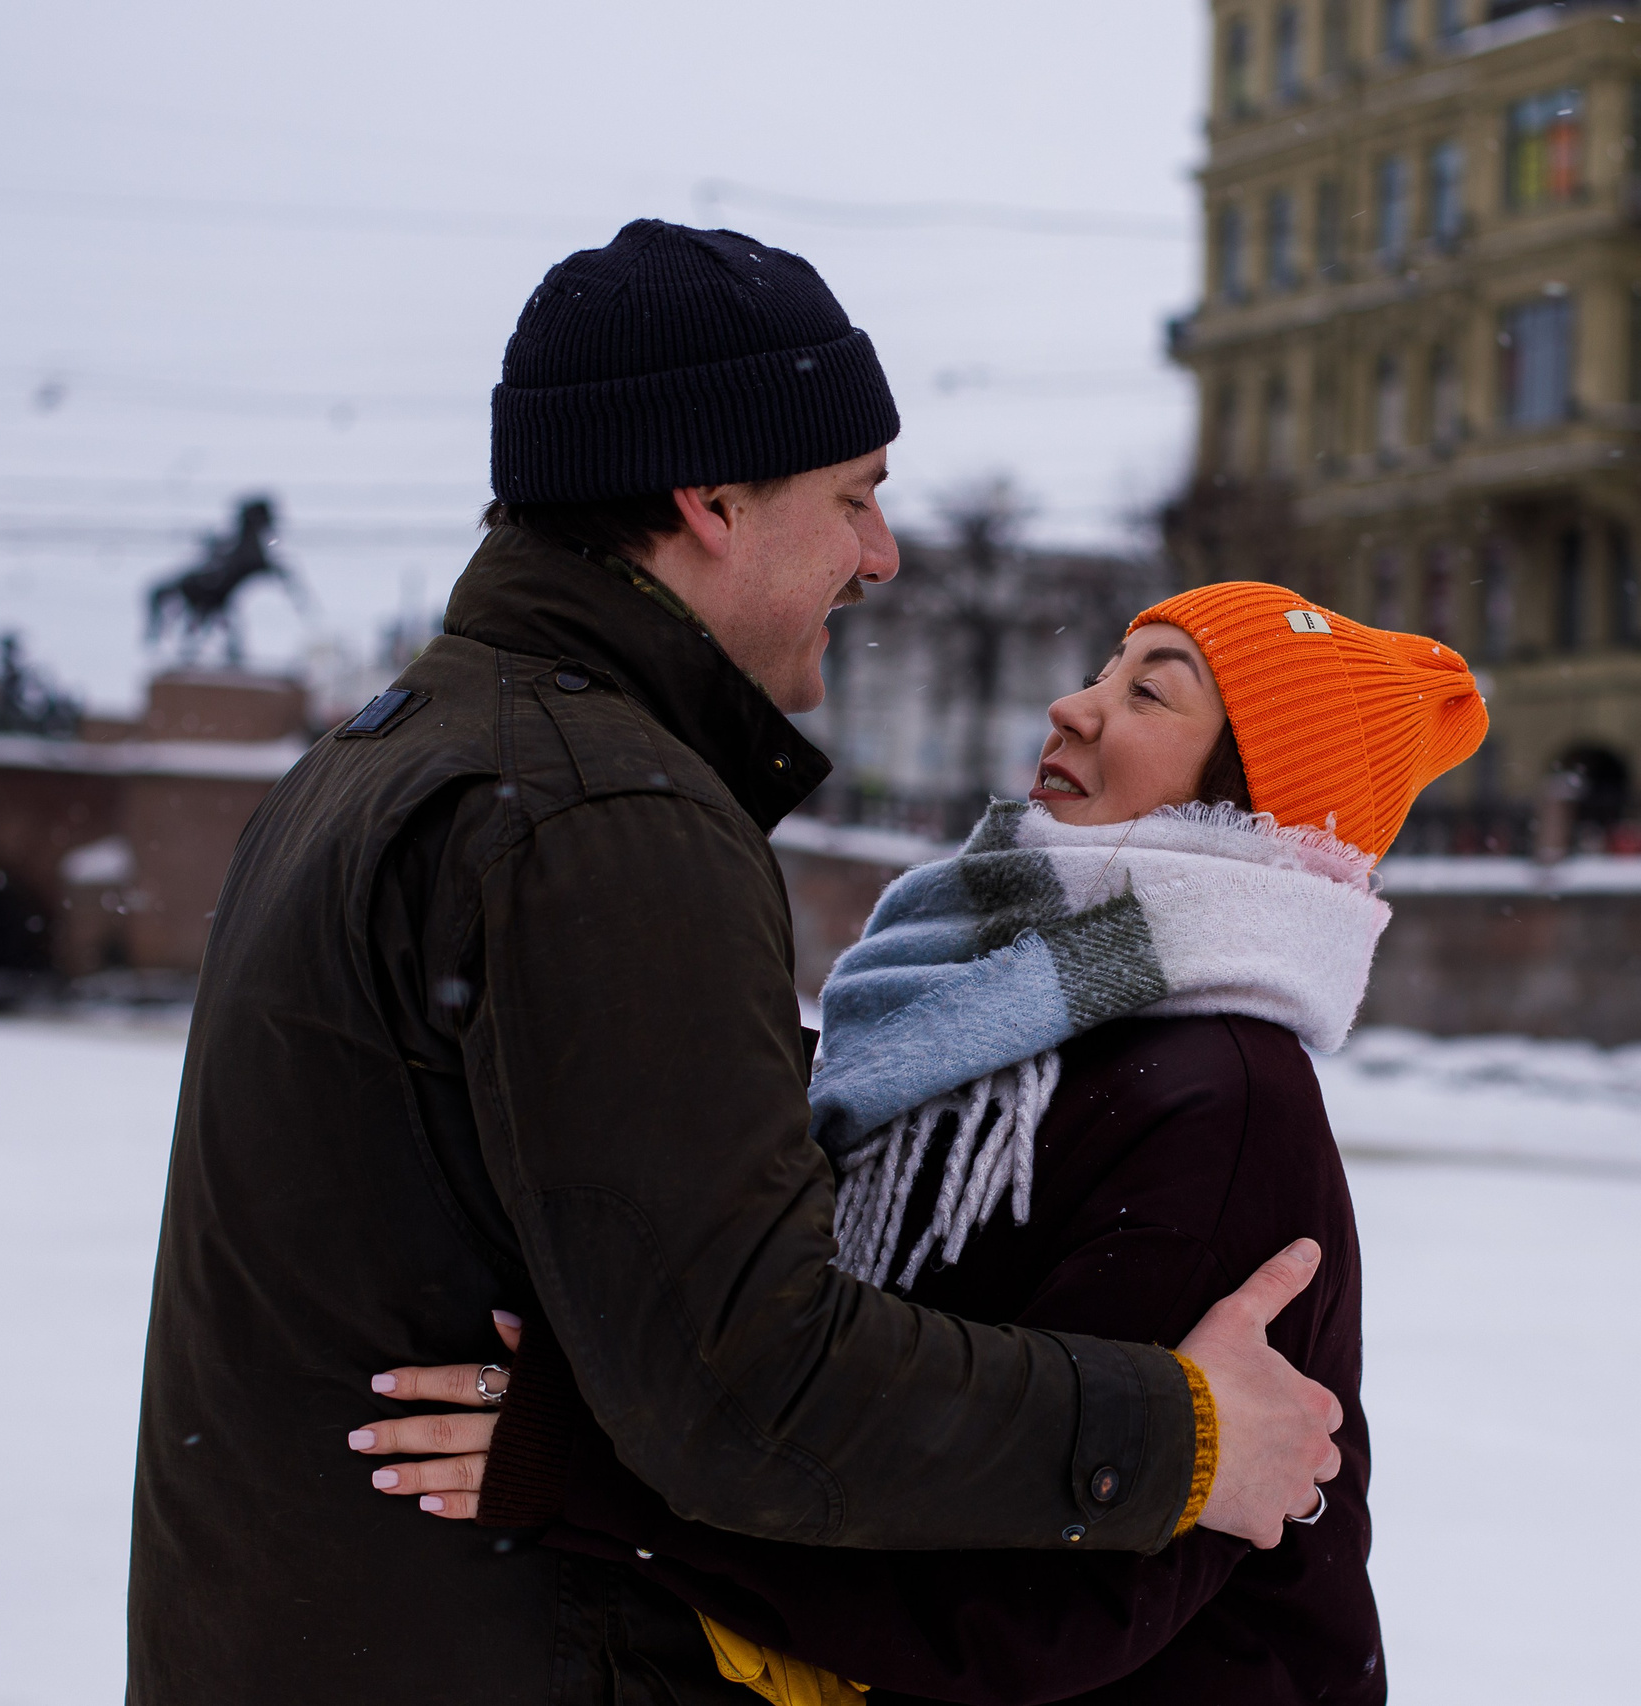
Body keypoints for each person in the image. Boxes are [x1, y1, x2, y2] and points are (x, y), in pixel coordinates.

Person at [126, 221, 1342, 1703]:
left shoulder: (389, 754)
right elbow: (750, 1383)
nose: (881, 555)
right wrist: (1180, 1433)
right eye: (855, 496)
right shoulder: (600, 816)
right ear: (710, 502)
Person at [368, 583, 1489, 1703]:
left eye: (1149, 693)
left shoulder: (1219, 1100)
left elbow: (1036, 1605)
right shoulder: (965, 1029)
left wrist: (592, 1470)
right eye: (1100, 670)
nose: (1072, 707)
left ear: (1257, 803)